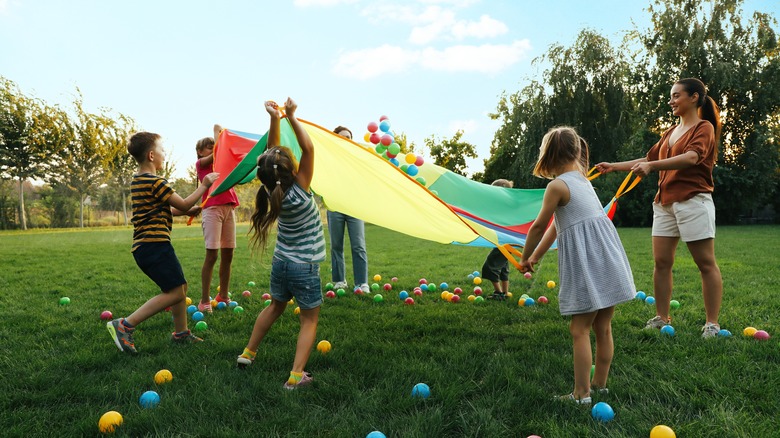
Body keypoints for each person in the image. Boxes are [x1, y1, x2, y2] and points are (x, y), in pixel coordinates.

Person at [596, 78, 723, 338]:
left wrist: (653, 167)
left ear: (694, 97)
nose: (671, 101)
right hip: (664, 203)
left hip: (693, 200)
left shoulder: (704, 127)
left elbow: (692, 157)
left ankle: (712, 323)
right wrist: (614, 166)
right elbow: (649, 159)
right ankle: (661, 317)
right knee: (661, 263)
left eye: (677, 96)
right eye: (671, 96)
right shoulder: (669, 132)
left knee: (705, 263)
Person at [521, 127, 635, 404]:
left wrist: (525, 255)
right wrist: (537, 256)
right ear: (576, 151)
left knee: (579, 330)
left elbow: (538, 226)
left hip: (589, 264)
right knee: (603, 327)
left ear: (547, 156)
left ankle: (581, 395)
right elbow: (558, 226)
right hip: (609, 259)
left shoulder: (557, 186)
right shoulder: (582, 182)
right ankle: (600, 385)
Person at [236, 98, 326, 390]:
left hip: (281, 264)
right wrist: (292, 116)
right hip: (304, 267)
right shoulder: (301, 189)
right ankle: (296, 376)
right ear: (290, 171)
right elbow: (309, 148)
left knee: (275, 306)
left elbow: (269, 156)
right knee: (309, 320)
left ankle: (248, 354)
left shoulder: (270, 191)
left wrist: (276, 118)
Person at [107, 131, 219, 353]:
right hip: (155, 244)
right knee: (176, 292)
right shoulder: (156, 181)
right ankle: (125, 325)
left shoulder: (139, 181)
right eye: (162, 150)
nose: (164, 155)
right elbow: (185, 203)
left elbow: (168, 209)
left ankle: (181, 333)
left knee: (180, 287)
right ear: (151, 155)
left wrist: (188, 209)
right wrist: (205, 184)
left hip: (146, 246)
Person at [194, 126, 239, 313]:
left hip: (229, 207)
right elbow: (217, 154)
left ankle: (223, 295)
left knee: (228, 254)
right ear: (199, 152)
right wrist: (218, 136)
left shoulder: (222, 162)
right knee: (212, 255)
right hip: (212, 209)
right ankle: (204, 300)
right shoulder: (201, 165)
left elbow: (231, 159)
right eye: (209, 146)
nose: (213, 147)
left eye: (214, 145)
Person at [327, 125, 370, 294]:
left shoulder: (356, 158)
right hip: (335, 205)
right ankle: (339, 280)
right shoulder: (329, 159)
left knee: (358, 245)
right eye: (343, 136)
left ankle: (362, 283)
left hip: (354, 207)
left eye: (349, 137)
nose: (347, 139)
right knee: (336, 245)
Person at [483, 179, 515, 300]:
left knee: (489, 266)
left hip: (504, 242)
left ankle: (499, 293)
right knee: (503, 268)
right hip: (507, 242)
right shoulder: (507, 205)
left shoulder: (504, 206)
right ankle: (505, 293)